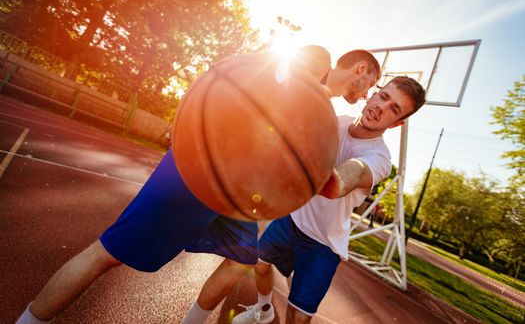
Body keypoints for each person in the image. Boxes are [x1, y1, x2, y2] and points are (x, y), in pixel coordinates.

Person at [16, 46, 380, 324]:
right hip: (202, 169)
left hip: (234, 188)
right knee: (108, 255)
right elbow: (238, 82)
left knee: (241, 259)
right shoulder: (316, 60)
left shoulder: (321, 110)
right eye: (370, 85)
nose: (366, 95)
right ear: (361, 70)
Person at [230, 76, 426, 324]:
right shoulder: (338, 122)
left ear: (397, 123)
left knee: (298, 316)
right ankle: (265, 309)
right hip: (293, 219)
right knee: (258, 263)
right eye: (384, 96)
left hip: (323, 244)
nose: (381, 107)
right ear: (375, 93)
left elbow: (341, 182)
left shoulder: (380, 158)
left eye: (394, 109)